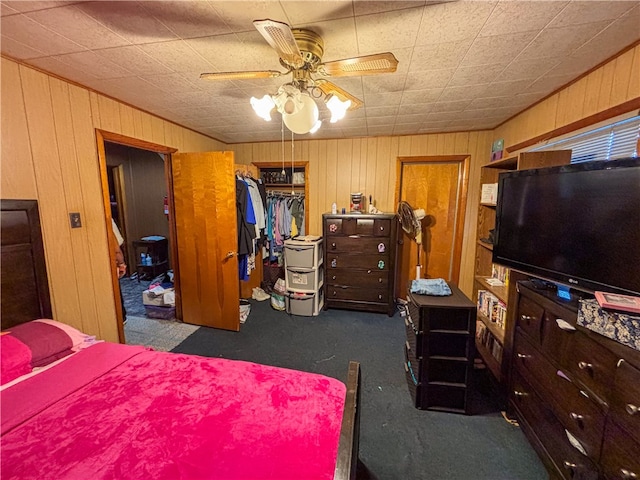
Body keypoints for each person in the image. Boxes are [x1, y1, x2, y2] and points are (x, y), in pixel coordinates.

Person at [111, 219, 127, 319]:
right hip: (110, 264)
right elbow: (116, 248)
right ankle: (121, 318)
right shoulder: (107, 219)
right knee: (115, 294)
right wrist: (121, 263)